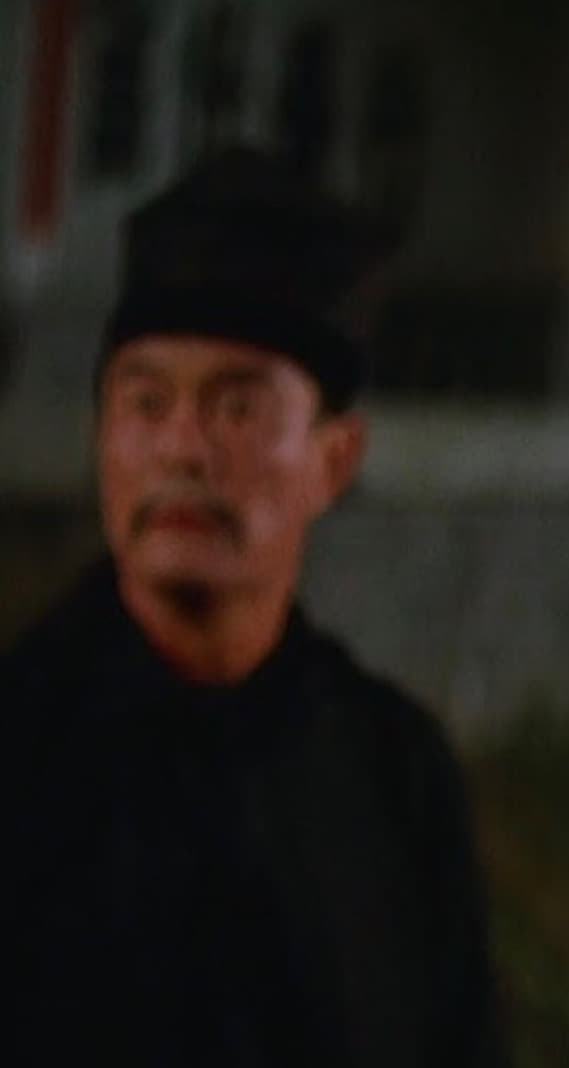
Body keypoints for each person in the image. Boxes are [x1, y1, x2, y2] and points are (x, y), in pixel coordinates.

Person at [0, 148, 506, 1067]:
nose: (182, 449)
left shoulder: (392, 775)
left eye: (237, 409)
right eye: (147, 402)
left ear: (333, 461)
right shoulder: (21, 749)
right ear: (101, 434)